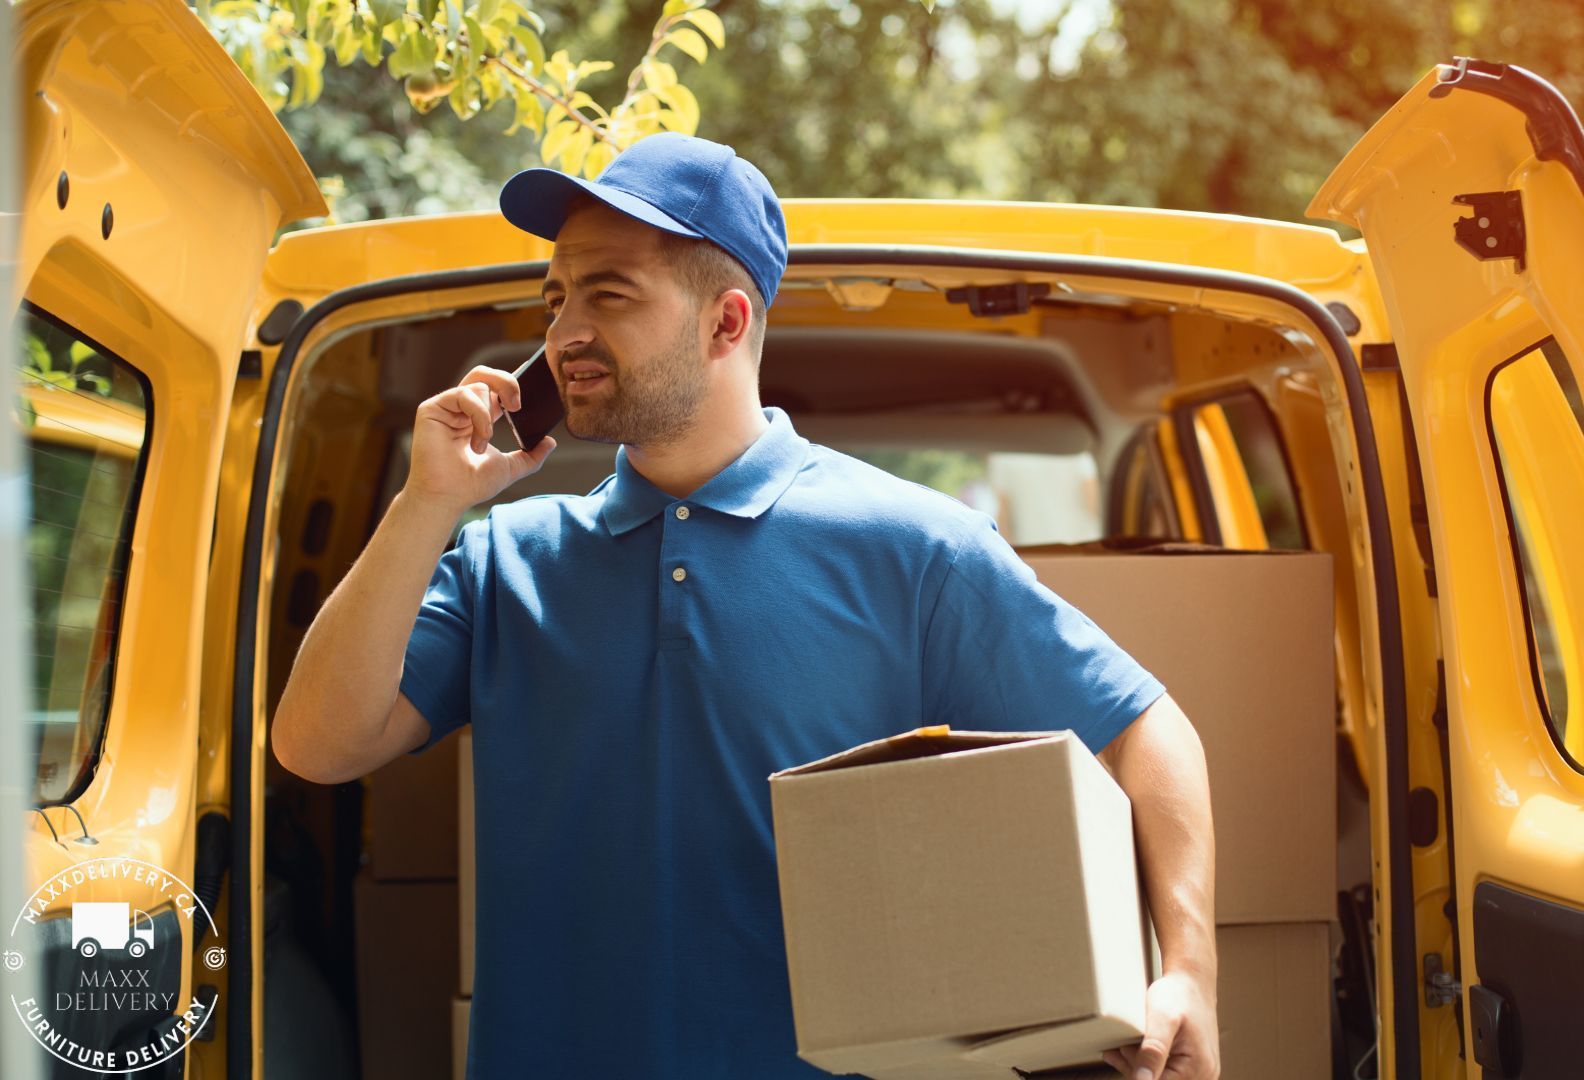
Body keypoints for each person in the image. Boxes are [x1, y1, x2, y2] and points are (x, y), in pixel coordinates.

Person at [270, 133, 1220, 1080]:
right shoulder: (503, 557)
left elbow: (1146, 728)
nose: (562, 333)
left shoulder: (912, 547)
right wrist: (424, 502)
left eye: (610, 293)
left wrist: (1187, 973)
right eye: (555, 297)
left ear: (726, 323)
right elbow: (316, 745)